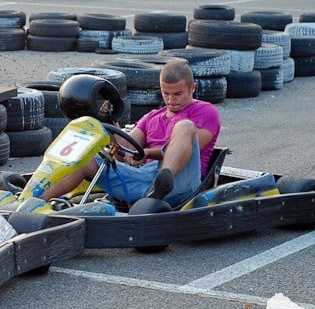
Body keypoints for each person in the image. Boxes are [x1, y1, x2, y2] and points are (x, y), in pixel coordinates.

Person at [41, 60, 221, 207]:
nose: (171, 100)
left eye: (178, 94)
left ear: (192, 88)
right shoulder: (151, 117)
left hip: (183, 182)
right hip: (144, 181)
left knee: (185, 126)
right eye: (166, 93)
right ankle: (32, 202)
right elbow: (125, 151)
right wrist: (109, 121)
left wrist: (148, 153)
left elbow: (191, 146)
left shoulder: (205, 111)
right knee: (87, 160)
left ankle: (164, 179)